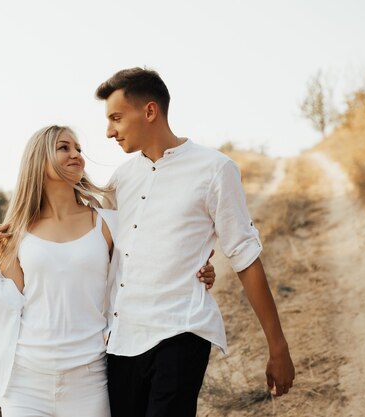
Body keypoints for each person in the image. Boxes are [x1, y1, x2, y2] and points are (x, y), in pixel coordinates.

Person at [0, 125, 216, 417]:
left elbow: (149, 263)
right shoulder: (18, 232)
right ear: (39, 159)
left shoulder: (107, 223)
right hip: (26, 381)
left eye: (78, 149)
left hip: (89, 379)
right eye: (64, 147)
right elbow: (6, 304)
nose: (76, 154)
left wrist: (198, 266)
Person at [95, 67, 295, 417]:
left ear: (150, 111)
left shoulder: (215, 169)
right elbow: (91, 242)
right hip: (122, 337)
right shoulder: (121, 179)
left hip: (181, 329)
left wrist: (277, 346)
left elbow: (245, 257)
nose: (109, 131)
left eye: (116, 118)